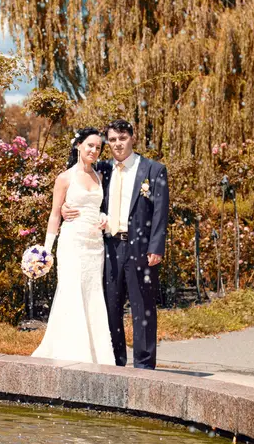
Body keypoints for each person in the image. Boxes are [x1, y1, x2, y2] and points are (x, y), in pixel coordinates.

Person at [62, 119, 169, 370]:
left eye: (122, 138)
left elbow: (160, 213)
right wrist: (67, 206)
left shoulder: (153, 170)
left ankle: (144, 366)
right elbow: (84, 192)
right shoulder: (103, 170)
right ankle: (116, 362)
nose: (117, 144)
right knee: (110, 306)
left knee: (142, 308)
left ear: (132, 138)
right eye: (112, 140)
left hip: (141, 248)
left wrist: (156, 247)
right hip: (109, 247)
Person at [31, 127, 115, 365]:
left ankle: (97, 353)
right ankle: (72, 351)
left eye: (98, 147)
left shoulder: (99, 176)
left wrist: (104, 218)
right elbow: (55, 215)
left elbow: (103, 208)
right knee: (71, 292)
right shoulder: (65, 178)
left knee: (92, 294)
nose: (93, 150)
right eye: (90, 145)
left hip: (95, 246)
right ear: (78, 145)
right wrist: (46, 250)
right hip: (72, 243)